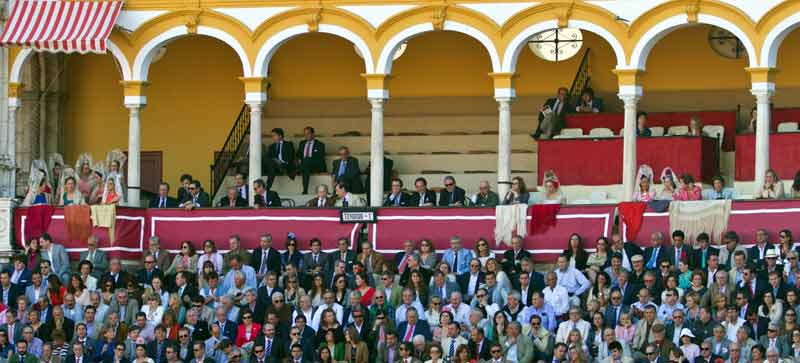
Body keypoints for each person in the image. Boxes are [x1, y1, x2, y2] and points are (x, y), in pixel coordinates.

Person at [297, 126, 326, 195]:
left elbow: (320, 158)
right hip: (305, 166)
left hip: (315, 166)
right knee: (305, 166)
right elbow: (298, 155)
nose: (306, 135)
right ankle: (305, 190)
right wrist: (299, 159)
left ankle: (298, 170)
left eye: (308, 133)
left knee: (306, 161)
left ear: (313, 134)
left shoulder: (320, 144)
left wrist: (307, 160)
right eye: (305, 134)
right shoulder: (302, 143)